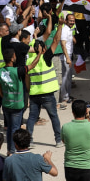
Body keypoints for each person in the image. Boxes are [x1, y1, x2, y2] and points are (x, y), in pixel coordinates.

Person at [25, 19, 64, 148]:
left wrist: (35, 37)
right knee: (54, 116)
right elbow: (55, 41)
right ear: (43, 49)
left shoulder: (30, 60)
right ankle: (58, 140)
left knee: (32, 118)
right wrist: (60, 26)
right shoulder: (46, 57)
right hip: (47, 94)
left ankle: (29, 140)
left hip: (34, 94)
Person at [0, 46, 43, 155]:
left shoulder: (0, 72)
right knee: (15, 129)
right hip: (17, 105)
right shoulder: (18, 71)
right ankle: (13, 151)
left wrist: (5, 97)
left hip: (6, 104)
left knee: (9, 128)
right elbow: (32, 65)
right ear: (12, 58)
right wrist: (39, 53)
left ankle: (9, 150)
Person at [61, 100, 90, 181]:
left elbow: (64, 141)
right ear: (86, 111)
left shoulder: (65, 127)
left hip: (70, 167)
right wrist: (88, 117)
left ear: (72, 112)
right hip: (88, 168)